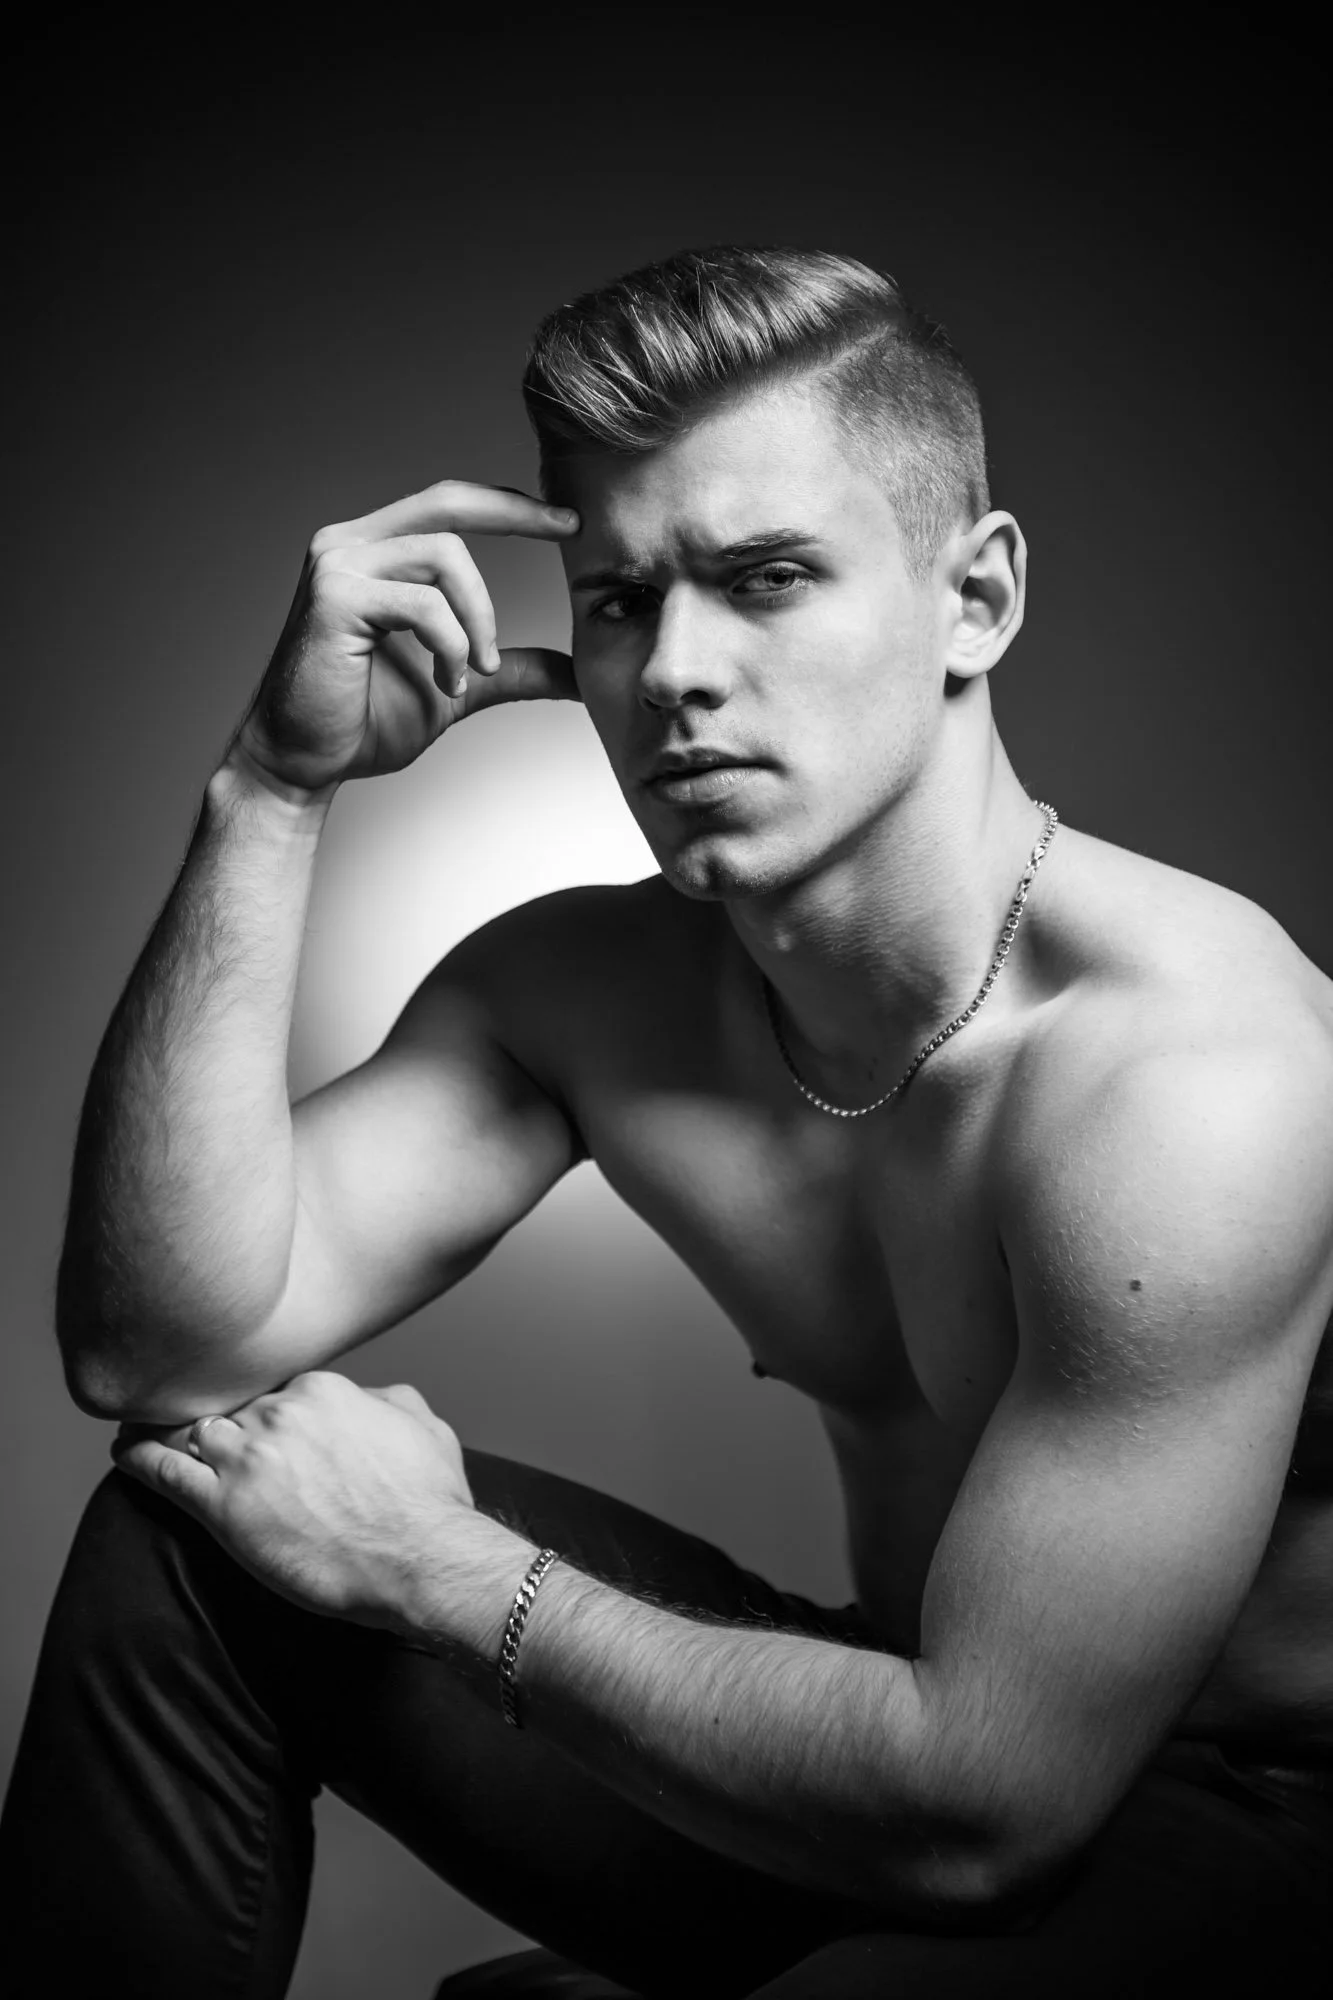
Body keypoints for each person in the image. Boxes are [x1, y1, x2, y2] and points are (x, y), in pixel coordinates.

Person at [2, 246, 1330, 1999]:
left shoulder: (1194, 1079)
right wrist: (271, 786)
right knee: (196, 1531)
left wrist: (438, 1567)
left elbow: (992, 1810)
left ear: (977, 600)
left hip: (1241, 1834)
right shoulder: (594, 992)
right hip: (900, 1725)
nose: (675, 673)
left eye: (767, 578)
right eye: (623, 601)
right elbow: (154, 1347)